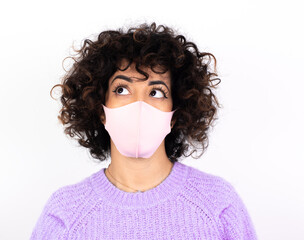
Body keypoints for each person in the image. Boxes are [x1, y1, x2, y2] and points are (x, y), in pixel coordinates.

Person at [30, 22, 258, 239]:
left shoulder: (218, 203)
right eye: (122, 89)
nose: (139, 104)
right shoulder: (65, 214)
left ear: (174, 114)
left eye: (156, 92)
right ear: (100, 109)